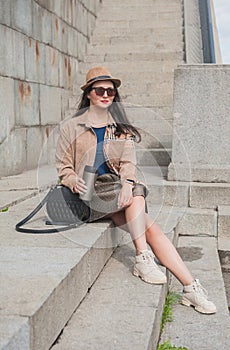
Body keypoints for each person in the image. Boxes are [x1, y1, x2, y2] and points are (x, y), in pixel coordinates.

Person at [56, 66, 216, 314]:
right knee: (140, 207)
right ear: (88, 93)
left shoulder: (120, 129)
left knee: (143, 211)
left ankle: (189, 286)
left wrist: (127, 184)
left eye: (111, 90)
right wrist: (72, 179)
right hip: (85, 195)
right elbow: (63, 168)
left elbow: (128, 164)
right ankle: (148, 260)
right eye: (100, 89)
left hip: (113, 192)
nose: (106, 94)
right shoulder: (72, 127)